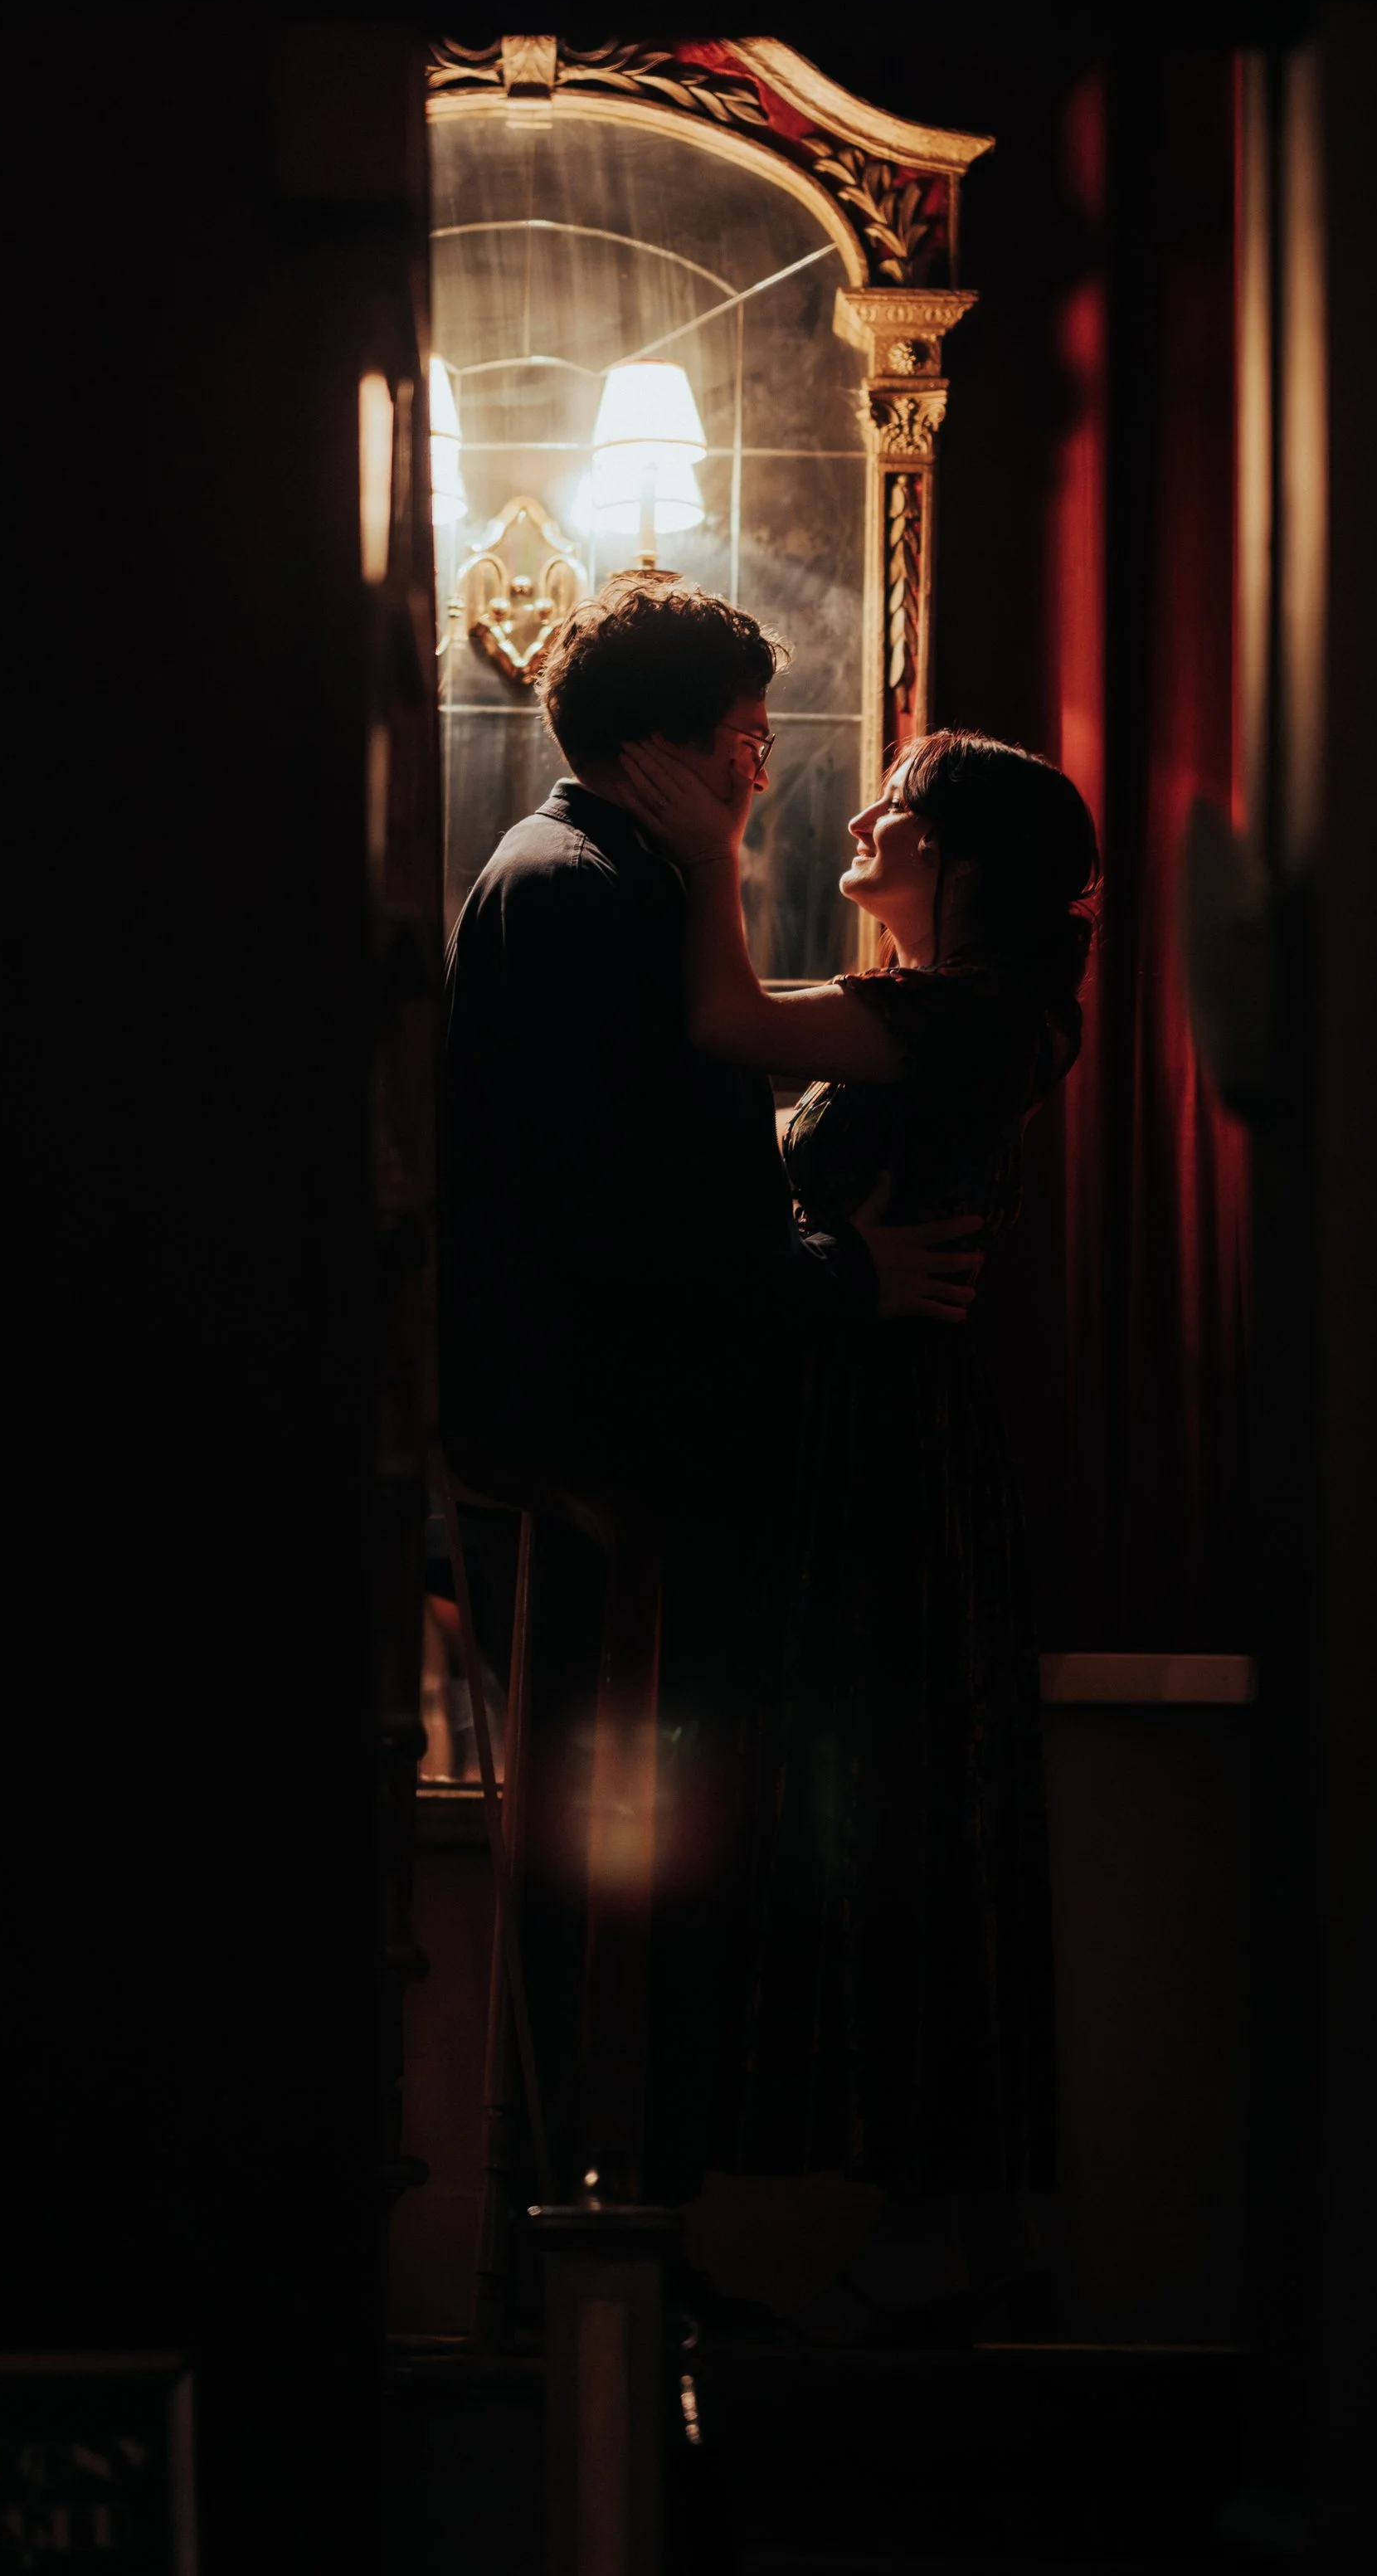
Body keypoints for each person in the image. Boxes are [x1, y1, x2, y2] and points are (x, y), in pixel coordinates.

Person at [438, 572, 986, 2214]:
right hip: (602, 1471)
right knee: (614, 1911)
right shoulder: (590, 894)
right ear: (669, 749)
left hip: (591, 1457)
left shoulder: (585, 877)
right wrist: (840, 1276)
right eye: (745, 740)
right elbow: (621, 1208)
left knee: (615, 1905)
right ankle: (591, 2277)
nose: (764, 771)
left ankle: (589, 2262)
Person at [606, 720, 1099, 2335]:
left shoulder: (967, 1016)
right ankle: (946, 2242)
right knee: (891, 1811)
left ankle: (926, 2245)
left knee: (879, 1802)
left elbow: (722, 1017)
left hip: (884, 1460)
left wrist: (701, 853)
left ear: (950, 860)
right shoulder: (952, 1016)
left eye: (896, 806)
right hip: (865, 1442)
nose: (864, 816)